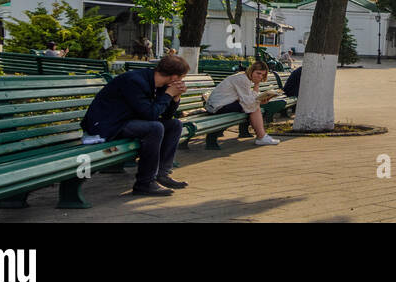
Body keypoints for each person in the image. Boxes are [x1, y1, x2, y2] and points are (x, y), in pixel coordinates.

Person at [81, 53, 190, 196]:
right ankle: (145, 183)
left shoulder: (160, 84)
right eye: (182, 78)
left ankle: (162, 174)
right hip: (107, 125)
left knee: (174, 124)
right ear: (175, 77)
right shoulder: (135, 81)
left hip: (127, 120)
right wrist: (169, 94)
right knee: (155, 128)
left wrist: (175, 97)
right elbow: (150, 115)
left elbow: (167, 116)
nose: (181, 81)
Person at [204, 61, 281, 146]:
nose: (260, 76)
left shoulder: (245, 78)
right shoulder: (242, 79)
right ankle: (261, 137)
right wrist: (259, 101)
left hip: (220, 104)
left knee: (254, 105)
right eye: (258, 73)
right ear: (251, 71)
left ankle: (261, 136)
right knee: (255, 107)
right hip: (217, 106)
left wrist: (257, 84)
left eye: (262, 75)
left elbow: (251, 98)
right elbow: (249, 101)